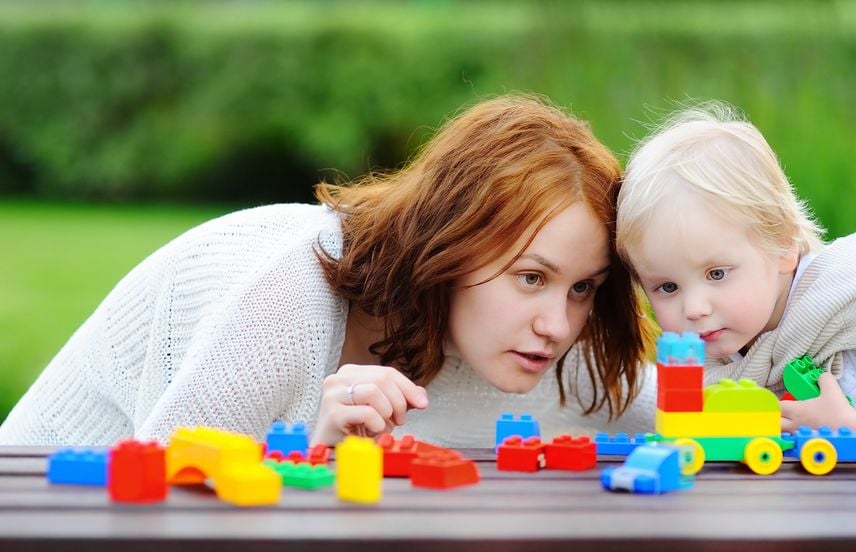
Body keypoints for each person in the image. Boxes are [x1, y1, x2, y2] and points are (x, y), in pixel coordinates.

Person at [0, 94, 659, 448]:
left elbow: (663, 410)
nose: (556, 323)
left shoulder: (529, 337)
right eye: (530, 277)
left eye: (581, 288)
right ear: (450, 247)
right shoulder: (285, 300)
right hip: (44, 519)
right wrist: (314, 448)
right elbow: (158, 500)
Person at [615, 101, 856, 450]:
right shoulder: (717, 353)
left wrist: (850, 424)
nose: (693, 308)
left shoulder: (852, 305)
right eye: (667, 287)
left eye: (716, 273)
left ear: (782, 246)